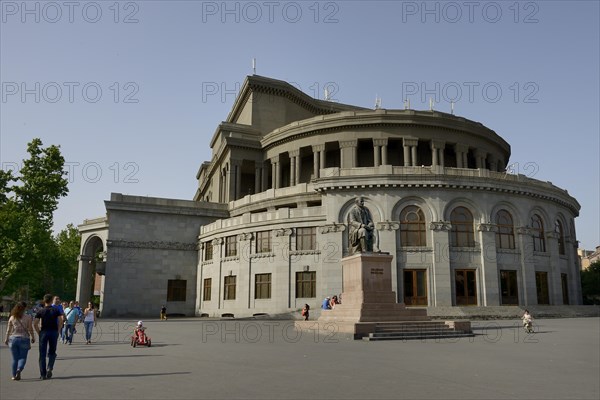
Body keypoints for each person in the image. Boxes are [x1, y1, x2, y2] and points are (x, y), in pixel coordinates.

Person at [34, 294, 64, 380]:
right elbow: (60, 321)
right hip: (53, 332)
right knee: (52, 351)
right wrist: (58, 331)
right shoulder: (56, 310)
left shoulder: (41, 311)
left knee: (42, 354)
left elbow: (35, 323)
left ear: (44, 301)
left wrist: (39, 332)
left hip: (44, 332)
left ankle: (43, 374)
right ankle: (50, 367)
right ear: (51, 301)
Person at [4, 302, 35, 381]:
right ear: (24, 308)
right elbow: (30, 328)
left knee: (15, 359)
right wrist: (33, 337)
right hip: (24, 339)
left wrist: (6, 338)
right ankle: (19, 369)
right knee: (22, 357)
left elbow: (8, 330)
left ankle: (14, 375)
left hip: (13, 339)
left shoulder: (12, 317)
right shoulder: (28, 317)